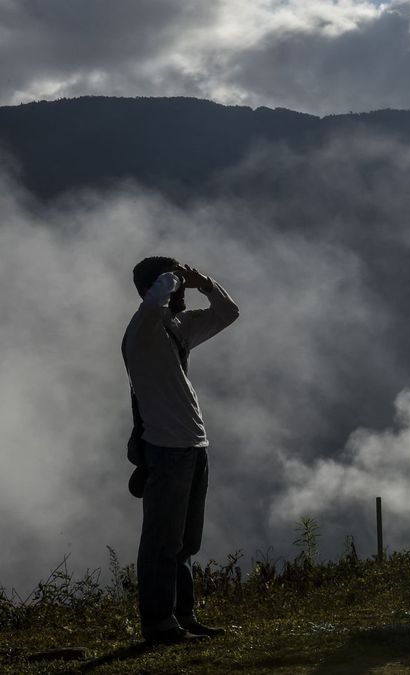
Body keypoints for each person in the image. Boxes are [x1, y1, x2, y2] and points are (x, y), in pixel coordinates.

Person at [124, 257, 239, 643]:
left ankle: (181, 616)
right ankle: (159, 623)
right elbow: (152, 303)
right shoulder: (142, 331)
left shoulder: (177, 329)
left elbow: (228, 312)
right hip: (167, 449)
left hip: (192, 445)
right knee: (162, 541)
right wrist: (174, 277)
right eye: (177, 289)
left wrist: (204, 281)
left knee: (185, 541)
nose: (182, 294)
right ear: (156, 289)